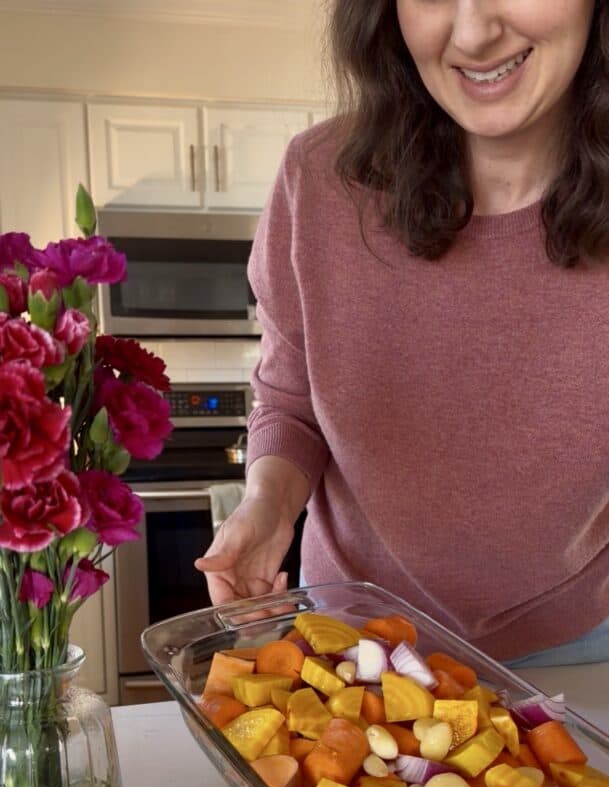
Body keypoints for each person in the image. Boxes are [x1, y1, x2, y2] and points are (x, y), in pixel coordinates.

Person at [196, 0, 609, 668]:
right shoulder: (318, 181)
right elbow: (292, 402)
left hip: (582, 643)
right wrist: (268, 509)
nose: (472, 33)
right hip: (352, 639)